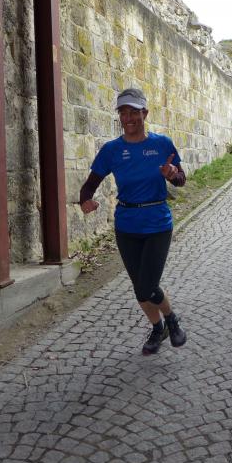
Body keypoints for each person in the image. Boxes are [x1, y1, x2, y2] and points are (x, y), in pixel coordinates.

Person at [79, 88, 187, 356]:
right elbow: (89, 185)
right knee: (140, 287)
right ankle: (158, 328)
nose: (128, 118)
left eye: (134, 112)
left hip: (157, 223)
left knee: (146, 285)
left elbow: (181, 179)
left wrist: (172, 175)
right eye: (123, 113)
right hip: (126, 226)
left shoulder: (162, 144)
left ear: (145, 114)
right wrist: (85, 200)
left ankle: (171, 320)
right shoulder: (112, 150)